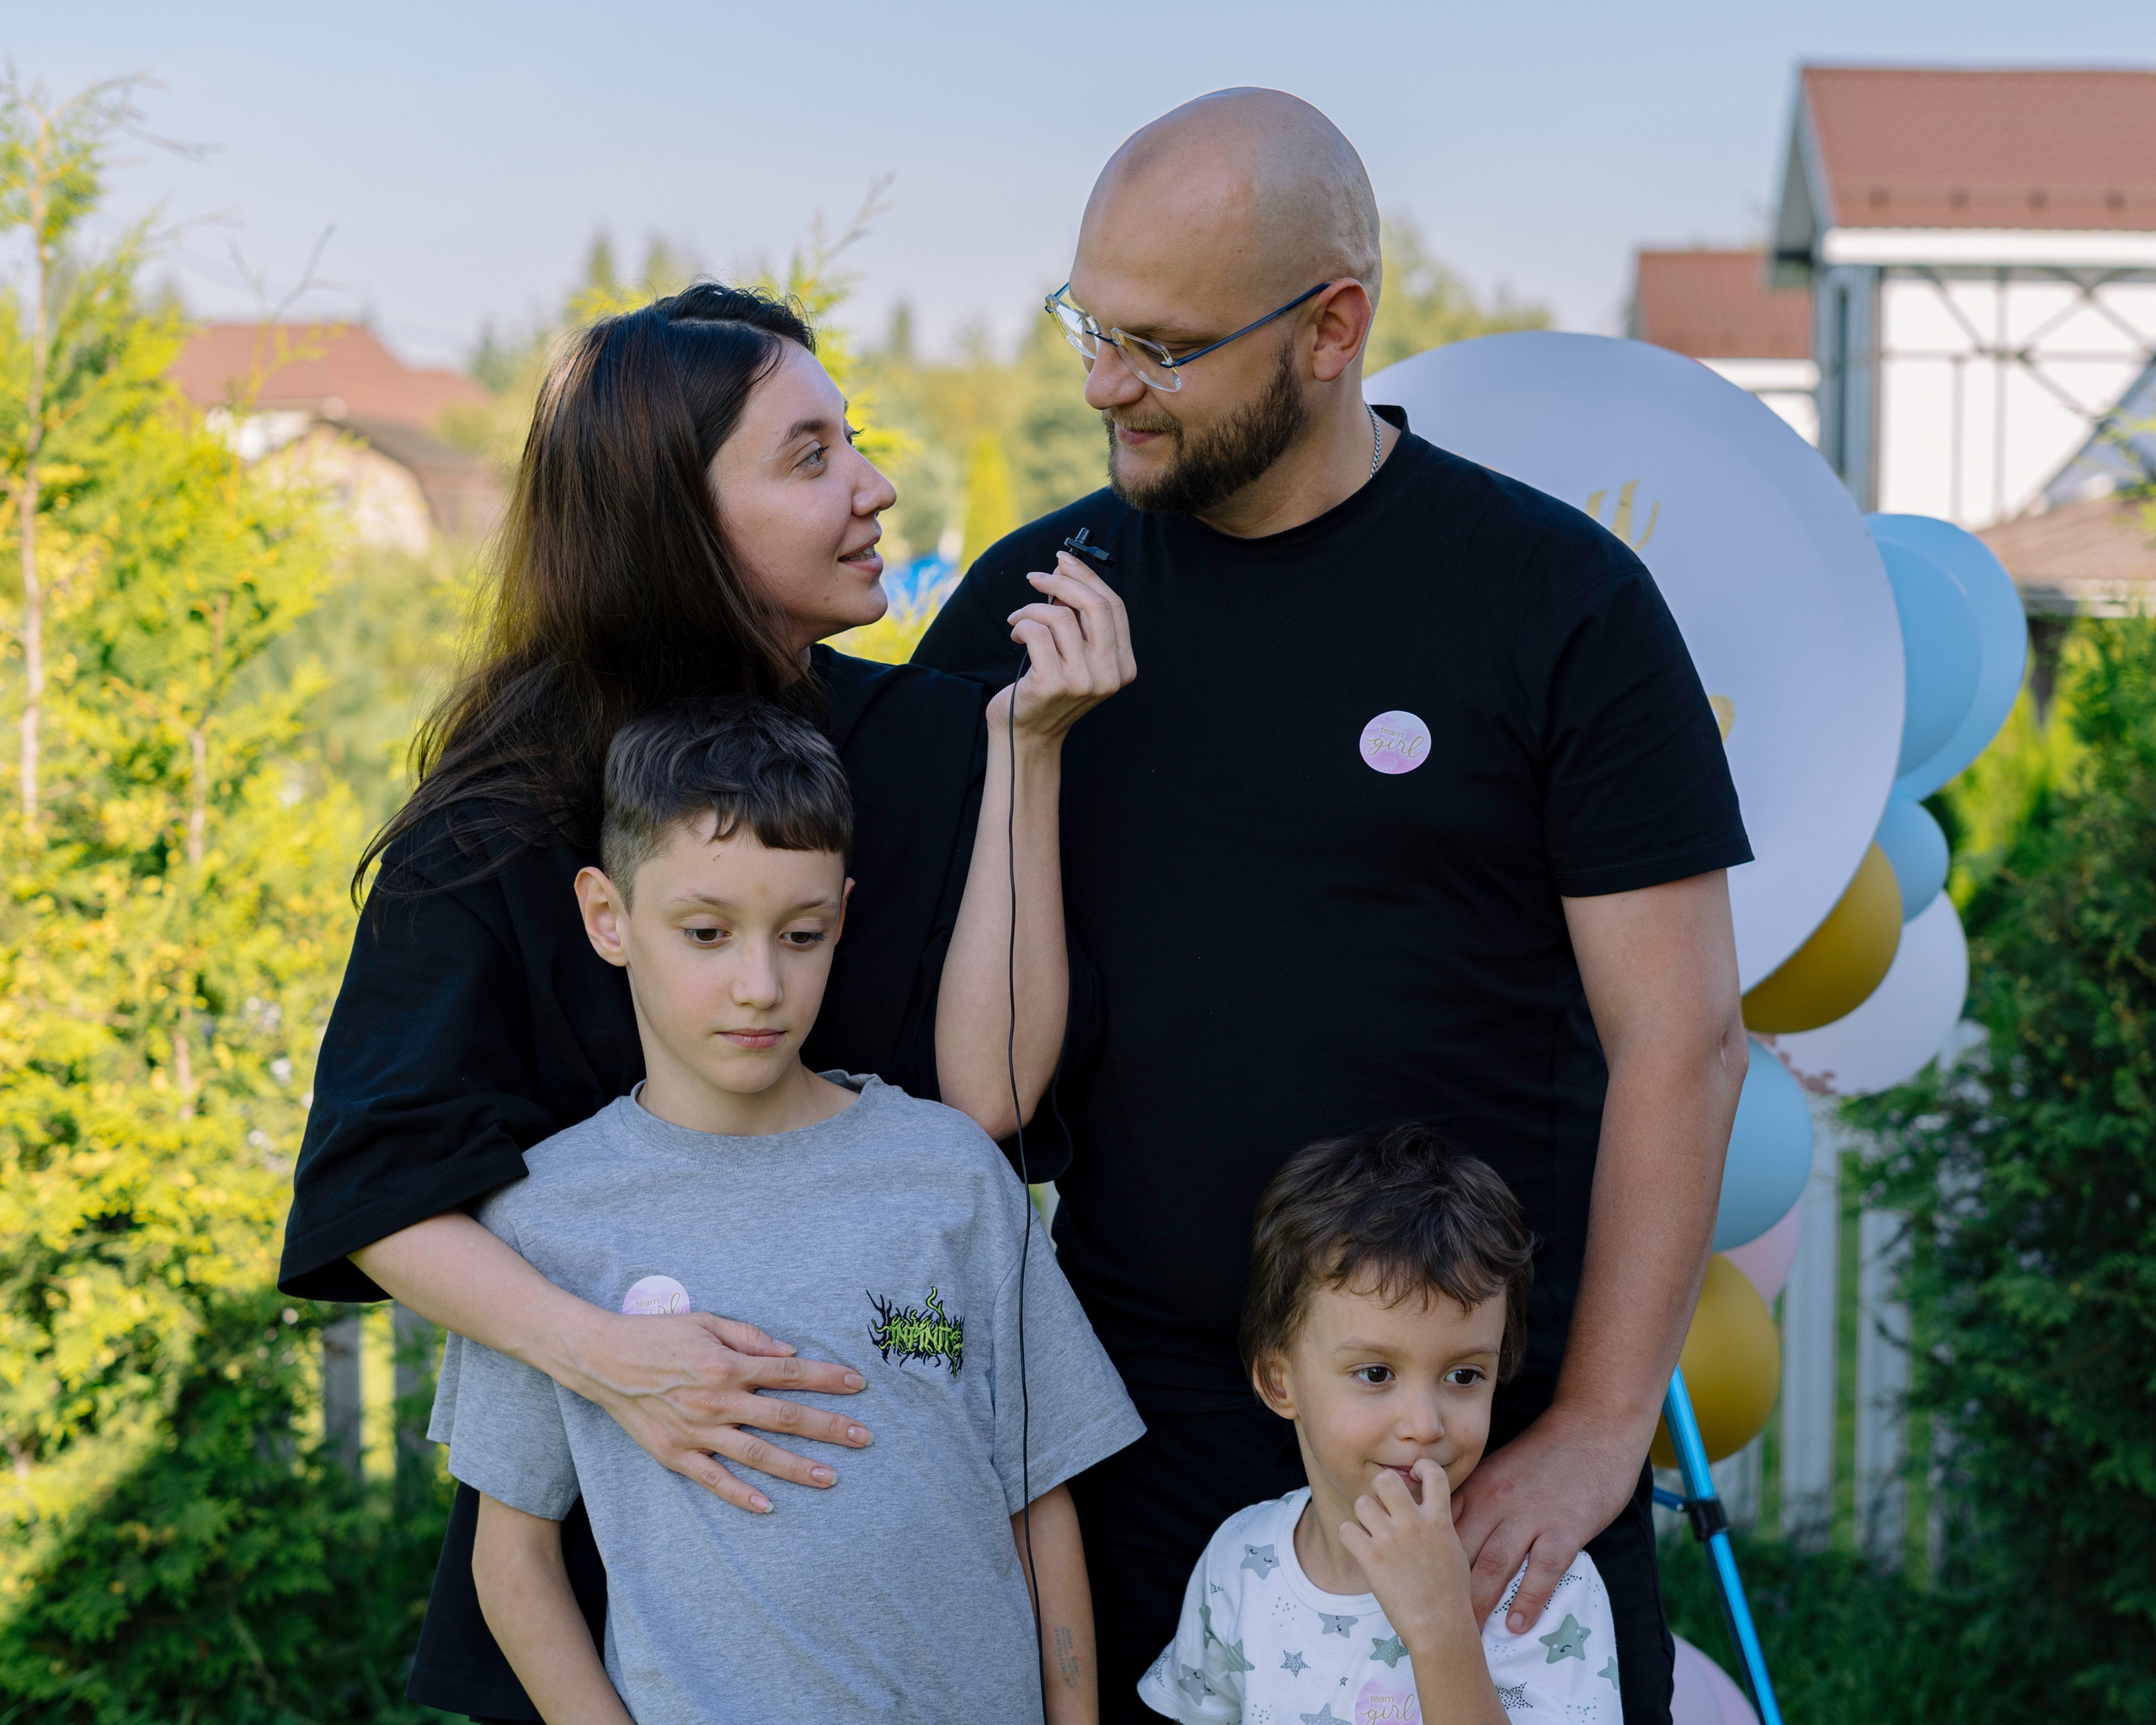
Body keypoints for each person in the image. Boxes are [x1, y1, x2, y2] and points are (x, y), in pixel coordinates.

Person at [913, 89, 1750, 1725]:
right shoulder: (1029, 613)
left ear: (1331, 324)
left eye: (1157, 345)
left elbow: (1683, 1037)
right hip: (1139, 1433)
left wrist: (1589, 1426)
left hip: (1474, 1428)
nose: (1101, 383)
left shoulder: (1554, 605)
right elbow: (955, 1081)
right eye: (1089, 324)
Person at [277, 283, 1135, 1718]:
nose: (874, 486)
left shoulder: (935, 740)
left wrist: (1030, 753)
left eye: (850, 440)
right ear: (673, 516)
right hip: (618, 1615)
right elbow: (379, 1183)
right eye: (809, 457)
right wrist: (614, 1360)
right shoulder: (501, 815)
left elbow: (987, 1094)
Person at [434, 697, 1144, 1723]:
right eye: (708, 932)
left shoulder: (950, 1173)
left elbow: (1040, 1498)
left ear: (840, 919)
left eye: (800, 933)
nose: (759, 983)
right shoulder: (548, 1217)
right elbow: (514, 1562)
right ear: (606, 916)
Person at [1139, 1124, 1615, 1725]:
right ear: (1280, 1382)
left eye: (1464, 1376)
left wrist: (1441, 1629)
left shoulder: (1542, 1589)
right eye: (1374, 1373)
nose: (1423, 1425)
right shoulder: (1240, 1563)